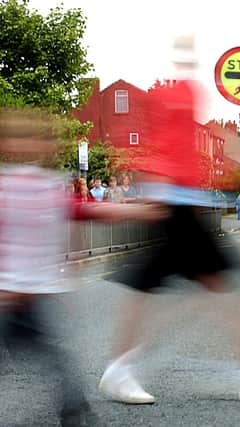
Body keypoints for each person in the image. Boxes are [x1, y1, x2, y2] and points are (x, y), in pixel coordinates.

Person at [98, 34, 240, 405]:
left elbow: (184, 146)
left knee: (186, 286)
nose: (187, 58)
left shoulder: (186, 95)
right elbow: (148, 146)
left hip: (184, 203)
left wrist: (223, 147)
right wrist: (157, 184)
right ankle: (122, 369)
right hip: (175, 205)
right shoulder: (170, 97)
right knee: (183, 286)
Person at [0, 107, 166, 426]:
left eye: (33, 139)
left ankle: (75, 412)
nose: (27, 146)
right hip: (8, 292)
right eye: (19, 138)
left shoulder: (49, 186)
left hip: (32, 294)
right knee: (51, 357)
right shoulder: (6, 185)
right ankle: (75, 411)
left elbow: (88, 211)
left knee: (53, 359)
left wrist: (140, 212)